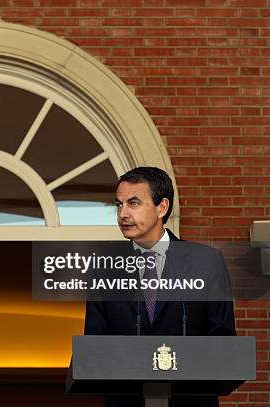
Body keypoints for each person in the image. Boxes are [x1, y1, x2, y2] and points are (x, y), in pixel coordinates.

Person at [84, 167, 235, 407]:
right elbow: (95, 343)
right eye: (118, 205)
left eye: (133, 203)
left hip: (189, 401)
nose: (123, 214)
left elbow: (221, 337)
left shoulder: (205, 262)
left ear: (162, 208)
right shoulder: (104, 268)